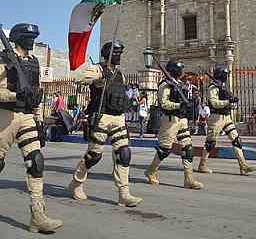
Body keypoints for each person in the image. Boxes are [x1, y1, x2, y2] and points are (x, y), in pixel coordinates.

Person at [0, 23, 62, 233]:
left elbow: (35, 94)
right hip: (5, 115)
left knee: (36, 160)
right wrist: (15, 95)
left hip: (26, 116)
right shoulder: (4, 60)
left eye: (33, 37)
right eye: (28, 37)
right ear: (18, 38)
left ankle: (38, 215)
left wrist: (37, 118)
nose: (32, 41)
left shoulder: (34, 62)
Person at [68, 40, 142, 207]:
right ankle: (76, 182)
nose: (119, 56)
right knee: (94, 155)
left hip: (118, 117)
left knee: (124, 153)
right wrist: (100, 76)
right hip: (101, 116)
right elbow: (78, 78)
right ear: (107, 54)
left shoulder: (120, 74)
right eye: (116, 53)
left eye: (120, 53)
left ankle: (124, 193)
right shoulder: (98, 68)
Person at [145, 61, 203, 190]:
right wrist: (179, 105)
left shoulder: (180, 84)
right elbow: (164, 103)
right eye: (179, 69)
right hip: (170, 121)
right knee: (164, 150)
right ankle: (151, 170)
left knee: (188, 148)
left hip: (182, 120)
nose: (182, 71)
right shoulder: (165, 85)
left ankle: (189, 179)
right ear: (173, 70)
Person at [197, 66, 256, 175]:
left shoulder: (222, 86)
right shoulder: (213, 87)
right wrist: (228, 102)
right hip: (216, 118)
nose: (226, 76)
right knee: (210, 143)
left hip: (226, 116)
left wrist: (232, 101)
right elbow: (214, 103)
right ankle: (202, 165)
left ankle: (243, 165)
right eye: (225, 74)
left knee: (236, 140)